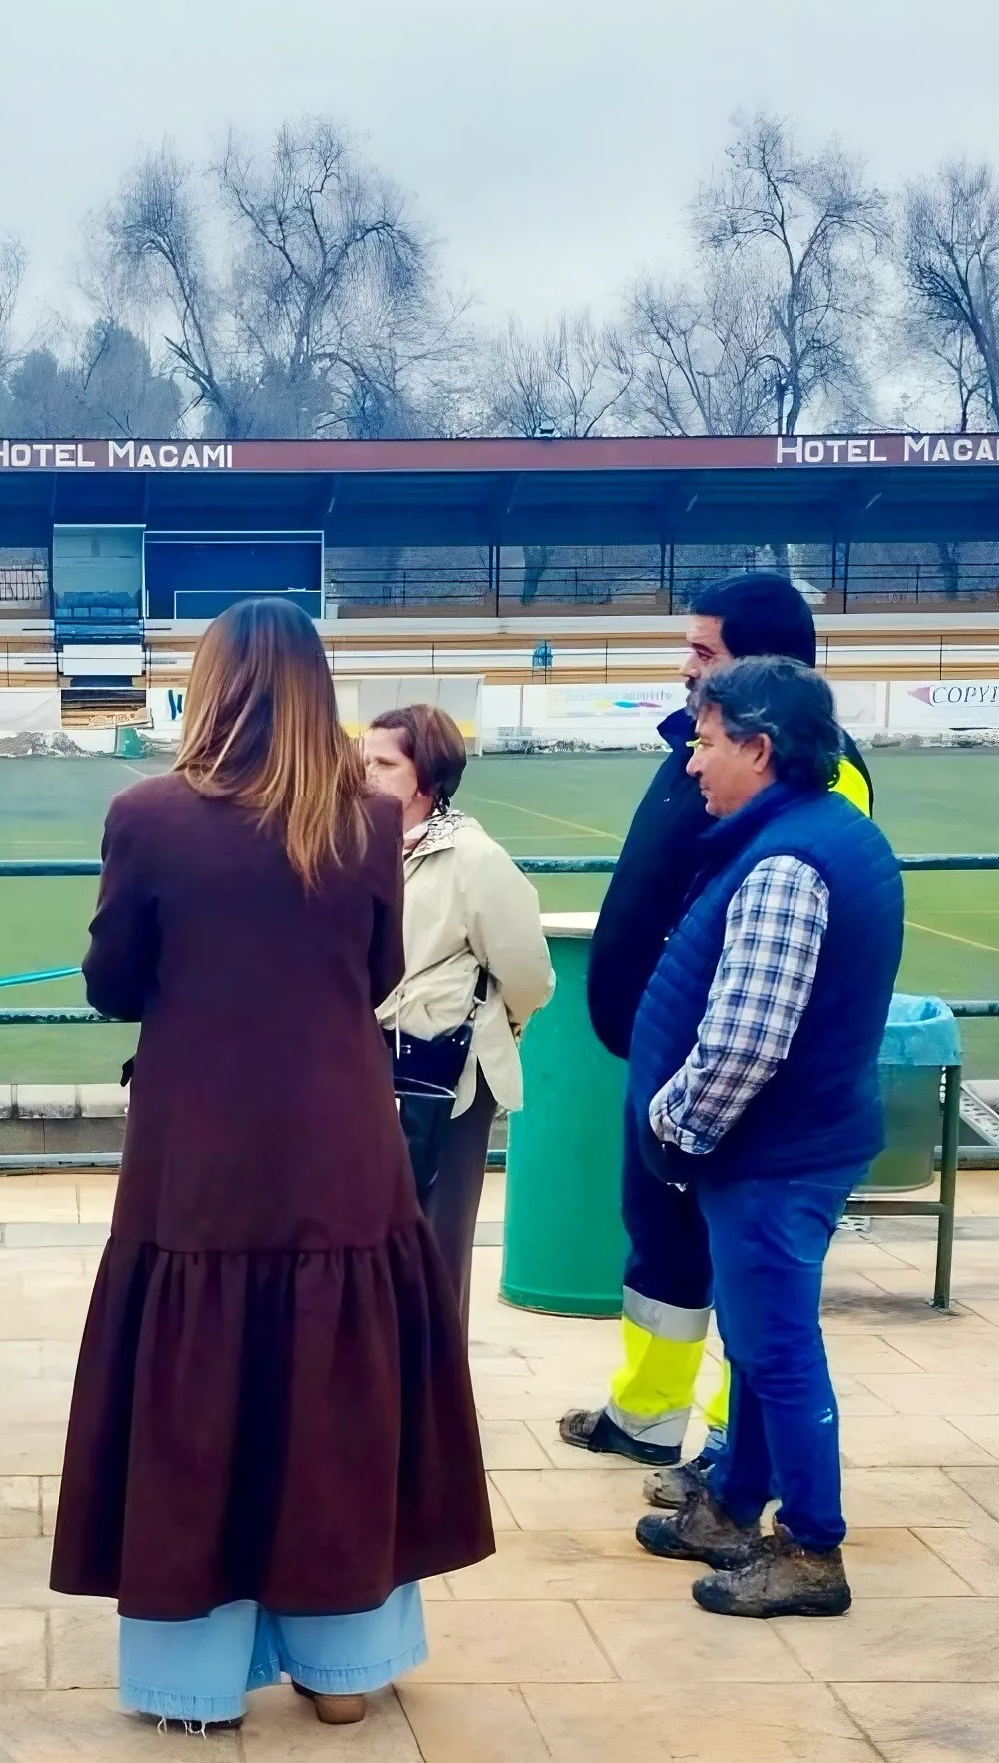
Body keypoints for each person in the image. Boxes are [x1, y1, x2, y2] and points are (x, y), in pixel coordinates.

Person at [51, 599, 495, 1731]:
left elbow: (113, 983)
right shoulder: (370, 819)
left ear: (208, 686)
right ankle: (340, 1663)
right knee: (333, 1392)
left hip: (197, 1148)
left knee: (195, 1397)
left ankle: (196, 1676)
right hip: (337, 1140)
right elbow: (380, 970)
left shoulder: (148, 814)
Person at [562, 571, 876, 1490]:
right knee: (659, 1237)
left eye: (703, 651)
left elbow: (788, 933)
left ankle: (739, 1458)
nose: (685, 668)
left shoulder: (820, 777)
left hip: (726, 1070)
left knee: (744, 1271)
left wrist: (703, 1078)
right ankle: (647, 1416)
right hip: (669, 1053)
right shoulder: (702, 744)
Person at [626, 655, 903, 1618]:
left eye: (705, 744)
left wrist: (674, 1126)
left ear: (759, 747)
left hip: (771, 1154)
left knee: (776, 1346)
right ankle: (734, 1506)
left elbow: (746, 1042)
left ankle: (811, 1550)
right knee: (755, 1340)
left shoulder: (788, 861)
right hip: (788, 1146)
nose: (693, 765)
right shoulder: (819, 833)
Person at [361, 701, 554, 1317]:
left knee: (436, 1244)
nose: (365, 774)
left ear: (428, 776)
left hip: (448, 1076)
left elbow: (528, 973)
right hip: (365, 1072)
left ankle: (434, 1397)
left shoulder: (473, 858)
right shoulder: (360, 844)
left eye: (384, 764)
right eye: (363, 760)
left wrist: (501, 1027)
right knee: (366, 1240)